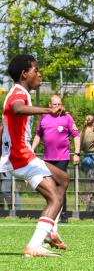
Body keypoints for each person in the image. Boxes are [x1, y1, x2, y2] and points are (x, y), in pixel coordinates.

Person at [0, 54, 69, 257]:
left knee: (63, 179)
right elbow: (17, 108)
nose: (39, 74)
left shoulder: (19, 92)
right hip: (21, 157)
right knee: (55, 198)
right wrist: (49, 110)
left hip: (22, 156)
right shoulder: (18, 95)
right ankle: (35, 245)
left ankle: (50, 232)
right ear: (24, 74)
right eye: (36, 70)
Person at [31, 94, 80, 222]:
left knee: (60, 185)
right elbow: (38, 136)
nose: (57, 107)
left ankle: (63, 215)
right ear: (49, 105)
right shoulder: (44, 117)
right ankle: (51, 214)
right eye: (55, 104)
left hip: (62, 158)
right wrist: (31, 150)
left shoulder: (67, 117)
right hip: (48, 158)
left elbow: (76, 135)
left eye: (59, 104)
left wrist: (77, 153)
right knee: (49, 186)